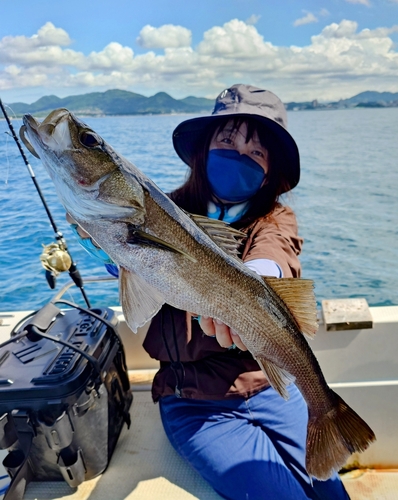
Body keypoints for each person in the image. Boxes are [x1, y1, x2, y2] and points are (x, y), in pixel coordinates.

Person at [68, 84, 349, 500]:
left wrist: (250, 285)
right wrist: (111, 251)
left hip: (269, 386)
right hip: (196, 404)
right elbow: (135, 270)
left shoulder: (274, 218)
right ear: (203, 151)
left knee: (332, 494)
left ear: (271, 170)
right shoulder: (163, 209)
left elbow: (275, 254)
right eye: (227, 141)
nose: (239, 154)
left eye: (256, 151)